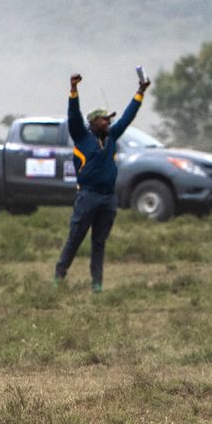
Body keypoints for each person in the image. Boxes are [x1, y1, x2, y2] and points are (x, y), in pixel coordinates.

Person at [54, 71, 151, 291]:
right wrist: (73, 89)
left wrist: (140, 92)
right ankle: (59, 276)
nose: (109, 121)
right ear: (93, 122)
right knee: (75, 239)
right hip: (87, 196)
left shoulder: (112, 137)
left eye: (109, 119)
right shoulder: (81, 136)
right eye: (104, 119)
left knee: (99, 242)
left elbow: (128, 117)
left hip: (108, 198)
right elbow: (73, 114)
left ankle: (97, 284)